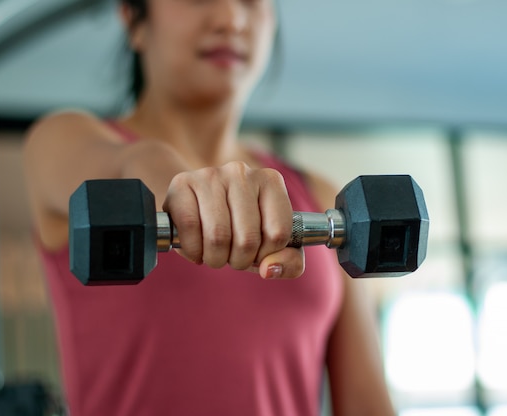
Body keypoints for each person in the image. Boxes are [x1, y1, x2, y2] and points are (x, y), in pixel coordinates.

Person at [23, 0, 395, 414]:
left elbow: (367, 407)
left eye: (252, 2)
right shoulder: (63, 140)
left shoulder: (322, 198)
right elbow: (126, 165)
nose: (230, 19)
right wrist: (183, 186)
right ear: (133, 18)